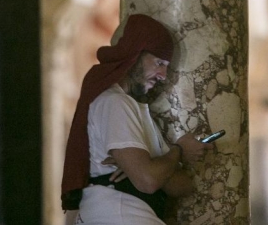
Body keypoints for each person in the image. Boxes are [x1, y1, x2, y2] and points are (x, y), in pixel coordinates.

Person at [61, 14, 212, 224]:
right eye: (159, 62)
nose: (163, 75)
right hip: (117, 214)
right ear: (134, 54)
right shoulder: (114, 103)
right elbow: (149, 181)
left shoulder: (136, 109)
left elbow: (183, 185)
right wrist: (178, 152)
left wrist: (145, 164)